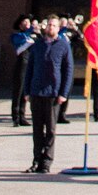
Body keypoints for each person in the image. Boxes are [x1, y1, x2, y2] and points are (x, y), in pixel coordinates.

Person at [24, 13, 74, 174]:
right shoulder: (38, 45)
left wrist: (63, 93)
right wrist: (27, 91)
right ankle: (36, 160)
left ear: (58, 28)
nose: (50, 27)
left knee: (51, 130)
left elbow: (68, 70)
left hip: (53, 93)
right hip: (36, 91)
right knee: (37, 129)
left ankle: (46, 162)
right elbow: (29, 69)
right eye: (49, 25)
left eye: (54, 25)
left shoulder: (63, 45)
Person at [9, 15, 36, 126]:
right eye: (25, 22)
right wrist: (32, 29)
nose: (28, 24)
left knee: (25, 91)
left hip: (29, 64)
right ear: (20, 25)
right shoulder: (17, 35)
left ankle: (22, 115)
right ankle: (15, 116)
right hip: (21, 64)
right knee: (18, 90)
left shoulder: (31, 35)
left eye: (29, 22)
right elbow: (21, 43)